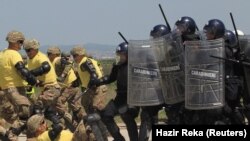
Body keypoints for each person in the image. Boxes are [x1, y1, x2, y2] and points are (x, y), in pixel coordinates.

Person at [93, 42, 140, 141]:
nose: (120, 57)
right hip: (120, 97)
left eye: (122, 55)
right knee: (106, 115)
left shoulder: (136, 66)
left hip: (132, 98)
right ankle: (119, 139)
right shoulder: (118, 66)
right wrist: (99, 81)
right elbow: (111, 78)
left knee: (127, 116)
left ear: (128, 54)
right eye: (119, 55)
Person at [0, 31, 37, 140]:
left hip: (4, 89)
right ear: (15, 41)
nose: (21, 45)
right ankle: (10, 135)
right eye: (20, 42)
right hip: (16, 88)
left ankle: (7, 135)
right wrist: (32, 80)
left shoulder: (2, 54)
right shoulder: (14, 54)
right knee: (25, 114)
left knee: (11, 117)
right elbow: (21, 70)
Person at [138, 24, 171, 141]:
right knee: (147, 116)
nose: (153, 40)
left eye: (156, 37)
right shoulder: (149, 53)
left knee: (173, 117)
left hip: (171, 90)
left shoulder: (173, 51)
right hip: (154, 89)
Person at [23, 39, 64, 131]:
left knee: (37, 108)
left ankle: (35, 134)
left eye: (29, 50)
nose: (27, 52)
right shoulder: (30, 59)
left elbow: (46, 67)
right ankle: (61, 129)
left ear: (35, 49)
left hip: (51, 88)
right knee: (52, 113)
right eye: (25, 50)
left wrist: (31, 74)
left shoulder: (40, 56)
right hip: (45, 89)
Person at [70, 45, 108, 140]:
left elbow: (93, 74)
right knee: (87, 108)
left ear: (81, 54)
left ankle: (103, 133)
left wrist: (93, 82)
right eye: (73, 56)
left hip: (97, 88)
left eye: (75, 55)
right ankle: (94, 133)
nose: (74, 58)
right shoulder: (81, 63)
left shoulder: (85, 61)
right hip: (91, 88)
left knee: (96, 111)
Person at [47, 46, 86, 131]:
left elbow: (68, 63)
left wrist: (62, 76)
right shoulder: (55, 61)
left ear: (54, 54)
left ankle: (72, 125)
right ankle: (86, 123)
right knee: (76, 107)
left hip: (69, 86)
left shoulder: (57, 60)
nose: (48, 56)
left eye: (49, 54)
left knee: (58, 104)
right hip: (73, 85)